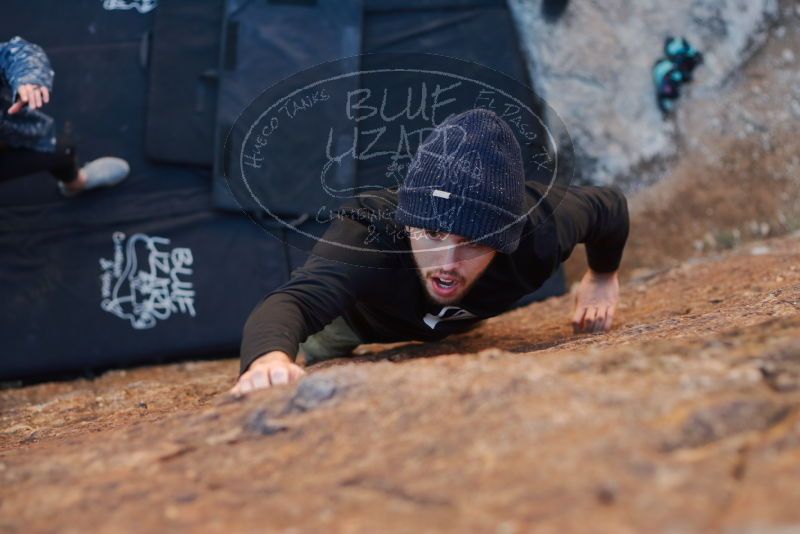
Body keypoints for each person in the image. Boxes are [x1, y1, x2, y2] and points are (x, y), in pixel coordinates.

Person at [233, 109, 629, 394]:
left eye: (474, 242)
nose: (448, 264)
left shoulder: (539, 229)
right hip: (361, 319)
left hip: (464, 321)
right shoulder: (370, 235)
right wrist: (268, 360)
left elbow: (609, 207)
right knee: (306, 363)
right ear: (408, 223)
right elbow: (295, 303)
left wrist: (601, 276)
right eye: (434, 233)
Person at [0, 36, 129, 194]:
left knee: (61, 151)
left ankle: (75, 184)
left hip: (11, 130)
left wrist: (28, 77)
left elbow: (12, 53)